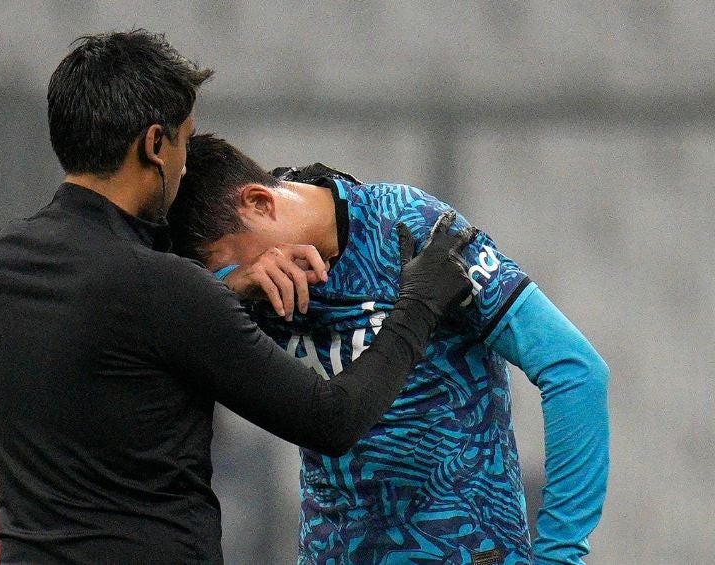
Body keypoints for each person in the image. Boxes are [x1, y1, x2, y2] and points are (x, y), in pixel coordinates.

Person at [0, 31, 476, 564]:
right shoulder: (163, 289)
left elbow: (109, 344)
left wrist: (225, 290)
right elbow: (332, 419)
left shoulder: (0, 268)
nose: (186, 165)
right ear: (154, 145)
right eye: (185, 141)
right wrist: (421, 300)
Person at [166, 134, 611, 565]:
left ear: (261, 203)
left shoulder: (408, 227)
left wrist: (559, 554)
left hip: (466, 549)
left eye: (225, 265)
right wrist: (227, 286)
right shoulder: (234, 294)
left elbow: (574, 369)